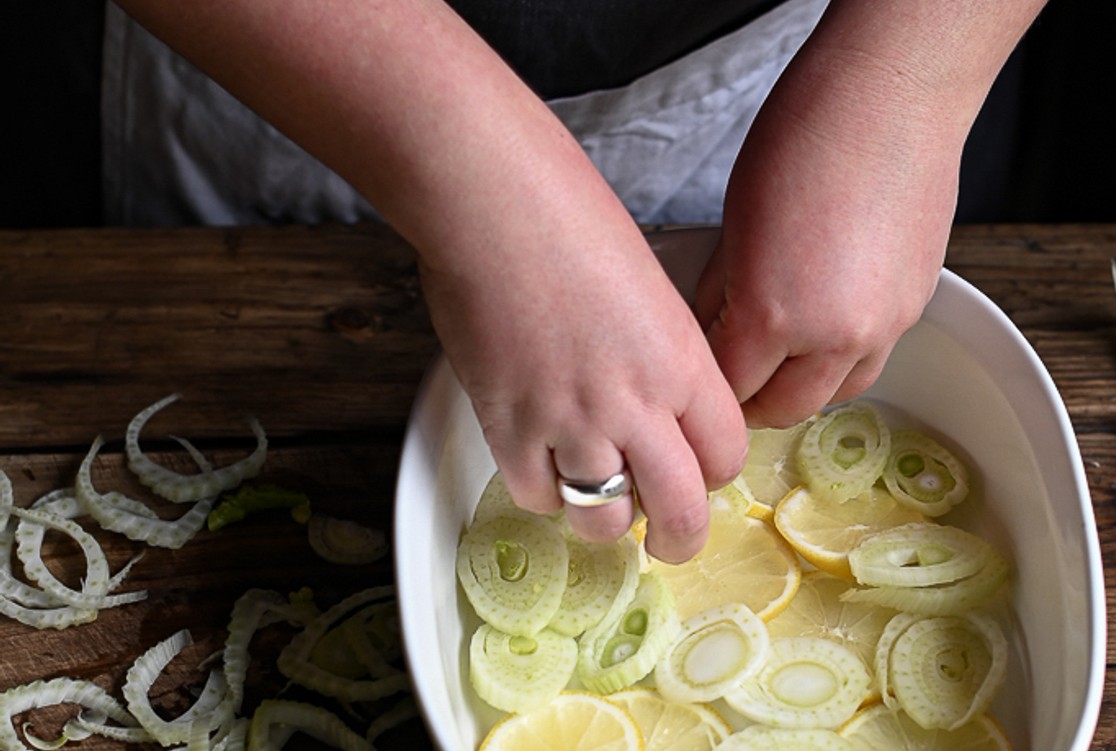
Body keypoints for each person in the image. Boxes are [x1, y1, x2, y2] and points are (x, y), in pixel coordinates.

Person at [107, 0, 1044, 563]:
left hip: (793, 54)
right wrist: (486, 195)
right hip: (294, 69)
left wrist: (907, 83)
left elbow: (912, 74)